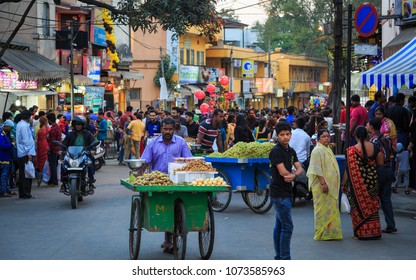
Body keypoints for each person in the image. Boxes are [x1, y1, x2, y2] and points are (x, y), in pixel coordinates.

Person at [138, 118, 192, 254]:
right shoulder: (152, 143)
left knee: (177, 208)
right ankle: (168, 239)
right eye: (165, 129)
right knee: (165, 209)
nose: (167, 132)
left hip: (178, 181)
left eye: (170, 129)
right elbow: (145, 161)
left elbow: (189, 161)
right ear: (161, 129)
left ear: (174, 129)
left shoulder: (181, 142)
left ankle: (171, 237)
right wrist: (139, 175)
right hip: (159, 181)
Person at [342, 126, 384, 240]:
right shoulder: (375, 148)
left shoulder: (350, 151)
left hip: (357, 186)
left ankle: (360, 232)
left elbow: (347, 169)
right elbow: (381, 163)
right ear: (367, 135)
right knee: (372, 207)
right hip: (372, 183)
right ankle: (374, 232)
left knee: (357, 208)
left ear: (355, 136)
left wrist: (343, 184)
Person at [269, 121, 303, 260]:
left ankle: (279, 257)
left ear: (291, 134)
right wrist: (293, 173)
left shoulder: (291, 150)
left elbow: (300, 168)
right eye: (282, 135)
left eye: (287, 134)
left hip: (287, 192)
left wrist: (294, 174)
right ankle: (285, 258)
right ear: (277, 136)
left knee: (280, 225)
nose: (285, 137)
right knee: (287, 227)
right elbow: (283, 172)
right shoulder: (276, 151)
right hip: (279, 194)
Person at [307, 129, 342, 241]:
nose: (327, 138)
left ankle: (331, 233)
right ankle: (322, 233)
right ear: (318, 139)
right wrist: (323, 183)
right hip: (322, 185)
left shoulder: (327, 149)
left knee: (331, 209)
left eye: (328, 136)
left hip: (330, 184)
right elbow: (316, 169)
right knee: (321, 210)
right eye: (323, 136)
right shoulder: (317, 150)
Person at [367, 117, 397, 233]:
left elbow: (371, 157)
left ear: (371, 127)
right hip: (388, 170)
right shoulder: (387, 139)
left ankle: (373, 226)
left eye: (368, 125)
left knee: (373, 199)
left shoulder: (373, 141)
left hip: (378, 170)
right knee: (386, 200)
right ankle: (391, 225)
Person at [61, 116, 96, 194]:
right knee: (63, 164)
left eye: (79, 124)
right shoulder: (70, 134)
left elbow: (93, 142)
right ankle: (63, 184)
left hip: (84, 154)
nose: (78, 126)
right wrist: (61, 150)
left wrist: (93, 149)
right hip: (72, 155)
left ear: (83, 125)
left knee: (90, 164)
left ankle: (90, 183)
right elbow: (64, 143)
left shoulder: (88, 134)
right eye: (76, 124)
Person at [16, 110, 37, 199]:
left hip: (23, 152)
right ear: (29, 117)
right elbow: (25, 140)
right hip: (26, 153)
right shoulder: (24, 125)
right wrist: (28, 153)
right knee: (26, 174)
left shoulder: (21, 124)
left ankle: (23, 193)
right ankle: (26, 193)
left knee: (23, 174)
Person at [0, 120, 17, 197]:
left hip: (9, 158)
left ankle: (8, 190)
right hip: (3, 158)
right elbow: (3, 146)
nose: (11, 129)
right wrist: (12, 144)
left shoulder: (7, 134)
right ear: (6, 126)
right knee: (4, 176)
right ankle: (3, 191)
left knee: (8, 176)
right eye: (10, 128)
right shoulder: (1, 135)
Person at [46, 113, 62, 186]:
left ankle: (54, 180)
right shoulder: (57, 127)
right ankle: (52, 179)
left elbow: (52, 141)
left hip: (53, 149)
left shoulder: (53, 129)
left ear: (49, 120)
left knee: (52, 165)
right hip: (57, 148)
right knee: (54, 165)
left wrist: (49, 148)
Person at [35, 116, 50, 182]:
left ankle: (41, 174)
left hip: (40, 145)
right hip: (46, 145)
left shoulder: (40, 129)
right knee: (46, 160)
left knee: (41, 160)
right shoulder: (48, 128)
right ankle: (46, 175)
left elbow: (37, 138)